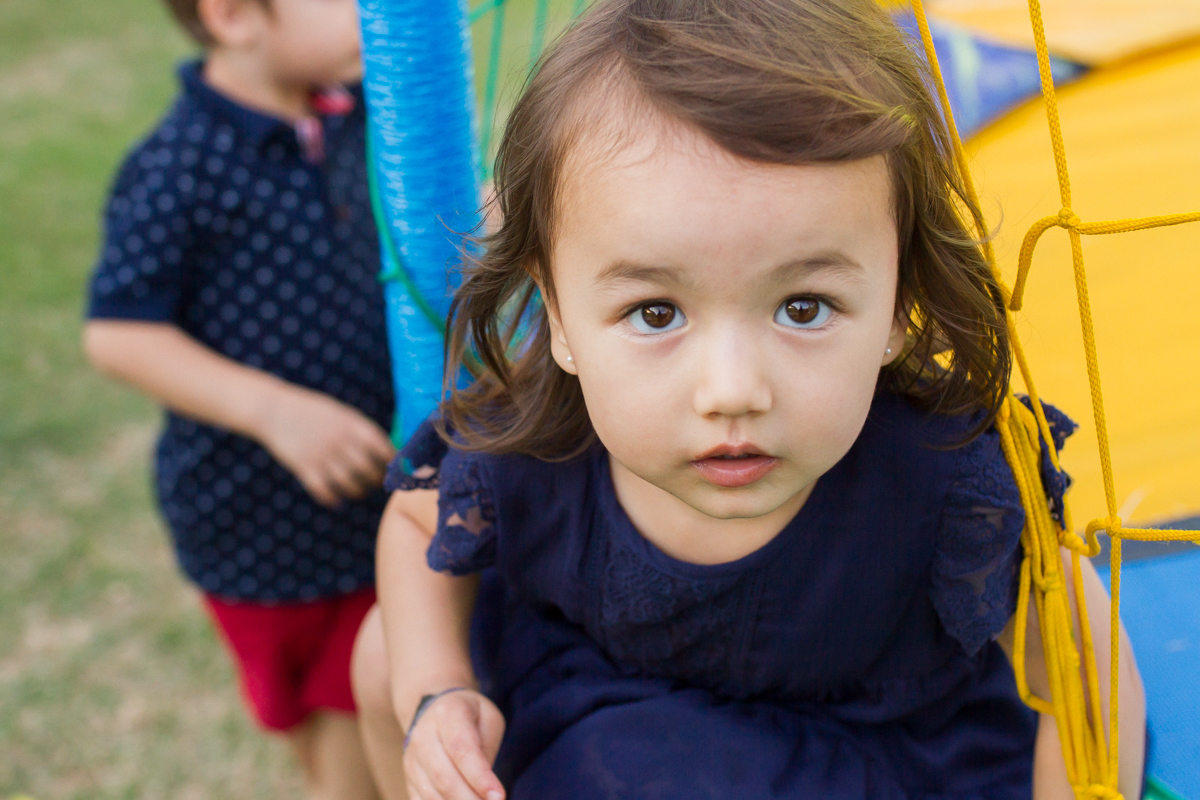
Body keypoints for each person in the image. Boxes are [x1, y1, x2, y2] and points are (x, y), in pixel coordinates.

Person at [351, 1, 1147, 798]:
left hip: (882, 758)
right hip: (610, 722)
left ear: (900, 306)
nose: (732, 390)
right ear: (556, 317)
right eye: (656, 314)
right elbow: (420, 516)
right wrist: (438, 688)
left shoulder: (943, 475)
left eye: (804, 307)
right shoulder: (538, 439)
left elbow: (1092, 684)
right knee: (386, 651)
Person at [83, 0, 393, 796]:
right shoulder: (179, 164)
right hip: (260, 529)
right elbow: (120, 334)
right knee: (329, 742)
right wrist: (277, 411)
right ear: (233, 15)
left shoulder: (363, 112)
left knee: (378, 703)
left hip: (376, 504)